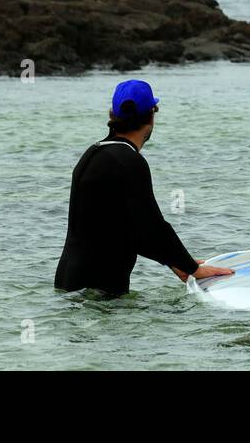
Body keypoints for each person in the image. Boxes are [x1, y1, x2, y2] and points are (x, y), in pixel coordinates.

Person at [54, 79, 233, 295]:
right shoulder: (129, 162)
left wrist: (176, 262)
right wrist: (194, 269)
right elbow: (153, 226)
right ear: (151, 115)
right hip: (102, 291)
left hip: (68, 283)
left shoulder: (93, 154)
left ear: (113, 115)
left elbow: (126, 230)